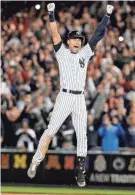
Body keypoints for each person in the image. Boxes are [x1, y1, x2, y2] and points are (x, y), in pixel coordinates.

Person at [27, 3, 114, 187]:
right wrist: (51, 14)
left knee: (82, 134)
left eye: (80, 40)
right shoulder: (62, 53)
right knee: (51, 131)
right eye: (74, 39)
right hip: (65, 96)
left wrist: (106, 16)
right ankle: (35, 161)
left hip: (79, 97)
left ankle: (79, 170)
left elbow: (98, 35)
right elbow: (54, 34)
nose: (77, 42)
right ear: (69, 41)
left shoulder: (85, 53)